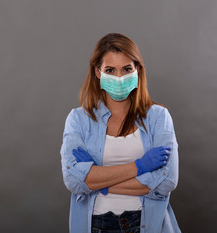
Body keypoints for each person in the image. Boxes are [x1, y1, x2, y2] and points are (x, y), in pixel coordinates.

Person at [60, 33, 180, 233]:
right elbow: (74, 181)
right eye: (110, 70)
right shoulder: (78, 120)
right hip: (96, 226)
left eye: (126, 69)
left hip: (144, 224)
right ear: (98, 72)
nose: (119, 78)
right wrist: (140, 166)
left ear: (137, 70)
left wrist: (97, 181)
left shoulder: (159, 117)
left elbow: (167, 181)